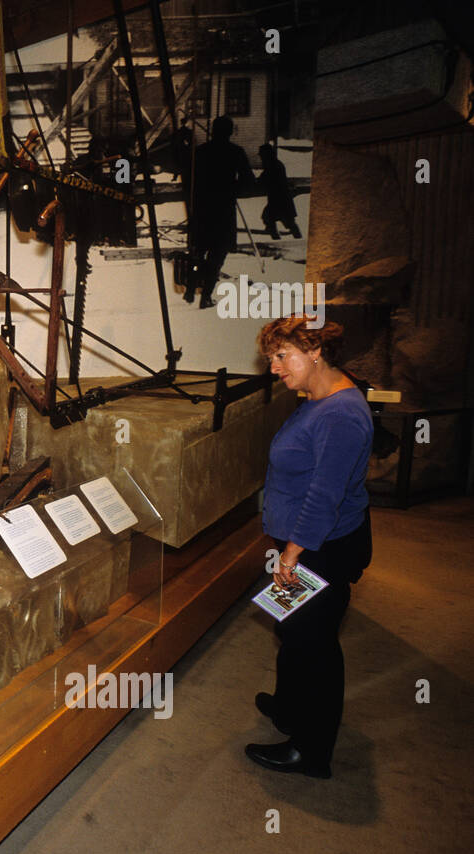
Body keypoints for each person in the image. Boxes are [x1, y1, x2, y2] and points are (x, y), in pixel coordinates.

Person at [249, 316, 373, 779]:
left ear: (316, 351)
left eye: (283, 357)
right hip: (308, 542)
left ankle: (311, 750)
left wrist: (292, 553)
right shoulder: (321, 395)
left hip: (319, 545)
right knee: (292, 629)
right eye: (271, 359)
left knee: (315, 645)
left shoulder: (340, 413)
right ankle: (288, 708)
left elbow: (325, 494)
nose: (275, 369)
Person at [184, 115, 255, 308]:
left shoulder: (200, 152)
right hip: (223, 211)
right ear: (230, 132)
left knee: (198, 251)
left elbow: (188, 180)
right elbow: (249, 181)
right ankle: (206, 296)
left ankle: (190, 289)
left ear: (213, 131)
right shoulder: (236, 152)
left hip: (202, 210)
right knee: (217, 255)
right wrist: (232, 190)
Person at [257, 143, 301, 240]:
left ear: (266, 154)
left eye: (261, 154)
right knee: (275, 218)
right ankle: (279, 237)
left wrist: (256, 181)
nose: (260, 156)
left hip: (280, 199)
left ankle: (281, 238)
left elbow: (265, 178)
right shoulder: (274, 163)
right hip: (280, 198)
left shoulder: (272, 165)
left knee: (281, 220)